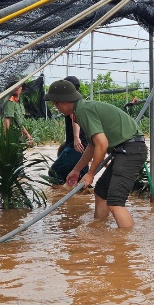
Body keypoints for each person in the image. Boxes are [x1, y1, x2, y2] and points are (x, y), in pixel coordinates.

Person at [44, 78, 147, 228]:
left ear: (61, 102)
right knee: (101, 193)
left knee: (115, 202)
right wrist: (76, 170)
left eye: (54, 104)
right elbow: (92, 146)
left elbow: (102, 144)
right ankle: (99, 232)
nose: (56, 108)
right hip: (127, 150)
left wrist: (90, 173)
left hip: (130, 150)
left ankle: (126, 247)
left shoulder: (83, 111)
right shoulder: (82, 109)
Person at [48, 76, 89, 184]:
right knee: (82, 180)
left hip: (77, 145)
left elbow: (74, 119)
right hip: (82, 145)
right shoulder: (79, 102)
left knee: (54, 173)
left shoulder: (71, 104)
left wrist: (76, 138)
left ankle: (59, 198)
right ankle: (80, 200)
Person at [2, 80, 34, 145]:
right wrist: (6, 139)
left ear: (22, 88)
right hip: (12, 136)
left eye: (19, 86)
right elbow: (7, 120)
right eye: (14, 86)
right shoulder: (10, 101)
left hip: (18, 135)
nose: (17, 88)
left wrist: (27, 135)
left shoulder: (20, 102)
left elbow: (19, 123)